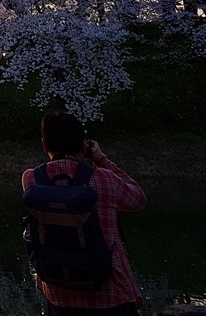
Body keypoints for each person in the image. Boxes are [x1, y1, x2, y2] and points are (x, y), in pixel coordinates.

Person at [22, 113, 146, 316]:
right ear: (83, 145)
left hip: (59, 296)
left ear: (44, 145)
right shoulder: (104, 179)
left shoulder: (31, 179)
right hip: (110, 296)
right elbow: (138, 199)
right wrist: (100, 158)